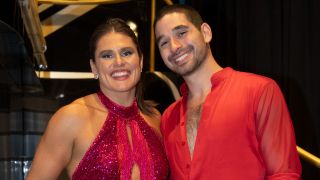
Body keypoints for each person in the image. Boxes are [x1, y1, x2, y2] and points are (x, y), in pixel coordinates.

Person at [154, 4, 302, 179]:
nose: (174, 46)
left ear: (206, 32)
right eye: (164, 42)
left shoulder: (259, 91)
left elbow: (284, 173)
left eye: (181, 33)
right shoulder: (168, 118)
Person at [27, 18, 169, 180]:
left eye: (127, 53)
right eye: (107, 56)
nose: (119, 62)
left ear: (141, 61)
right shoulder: (72, 117)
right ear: (94, 67)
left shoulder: (155, 118)